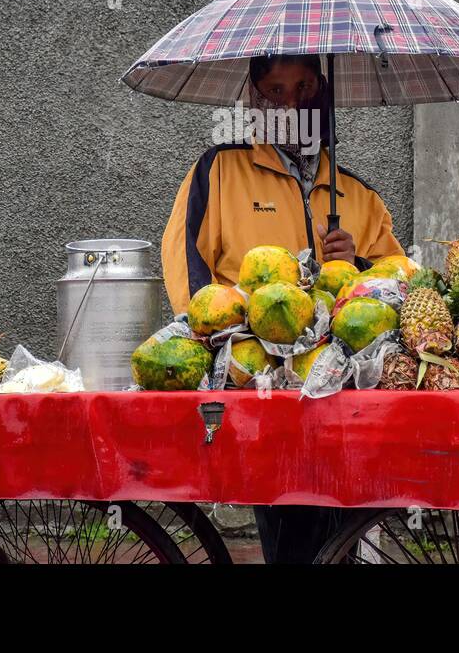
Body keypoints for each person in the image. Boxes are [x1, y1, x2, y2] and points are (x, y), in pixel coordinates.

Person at [160, 53, 405, 563]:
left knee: (346, 522)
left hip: (340, 389)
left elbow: (399, 283)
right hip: (260, 385)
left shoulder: (356, 194)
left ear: (322, 95)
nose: (291, 103)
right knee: (288, 520)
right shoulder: (220, 171)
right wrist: (211, 349)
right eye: (275, 90)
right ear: (254, 97)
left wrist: (356, 260)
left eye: (304, 89)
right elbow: (187, 267)